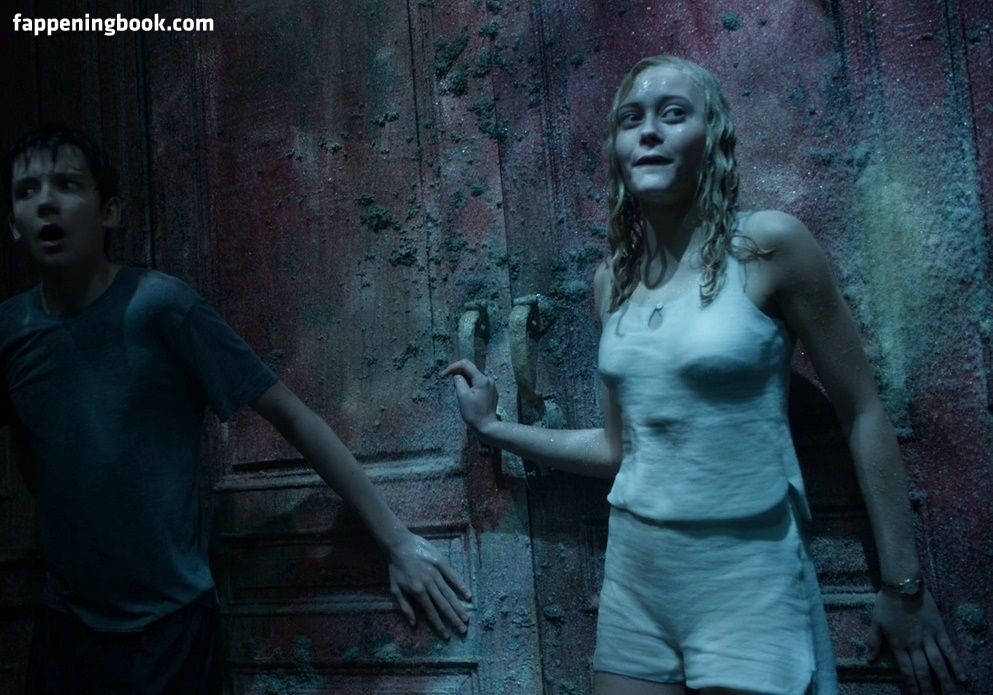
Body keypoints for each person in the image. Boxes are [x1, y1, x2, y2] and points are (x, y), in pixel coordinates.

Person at [445, 56, 966, 694]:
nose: (649, 131)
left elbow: (862, 413)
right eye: (631, 119)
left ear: (711, 137)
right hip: (638, 573)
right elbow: (619, 450)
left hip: (748, 574)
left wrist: (903, 585)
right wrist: (495, 429)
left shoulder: (770, 246)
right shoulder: (613, 282)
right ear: (616, 149)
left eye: (673, 114)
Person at [1, 125, 470, 694]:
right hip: (66, 626)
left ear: (110, 213)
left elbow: (293, 416)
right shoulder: (11, 330)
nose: (46, 202)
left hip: (166, 629)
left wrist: (396, 540)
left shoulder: (162, 308)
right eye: (27, 191)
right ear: (13, 223)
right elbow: (29, 441)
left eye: (68, 185)